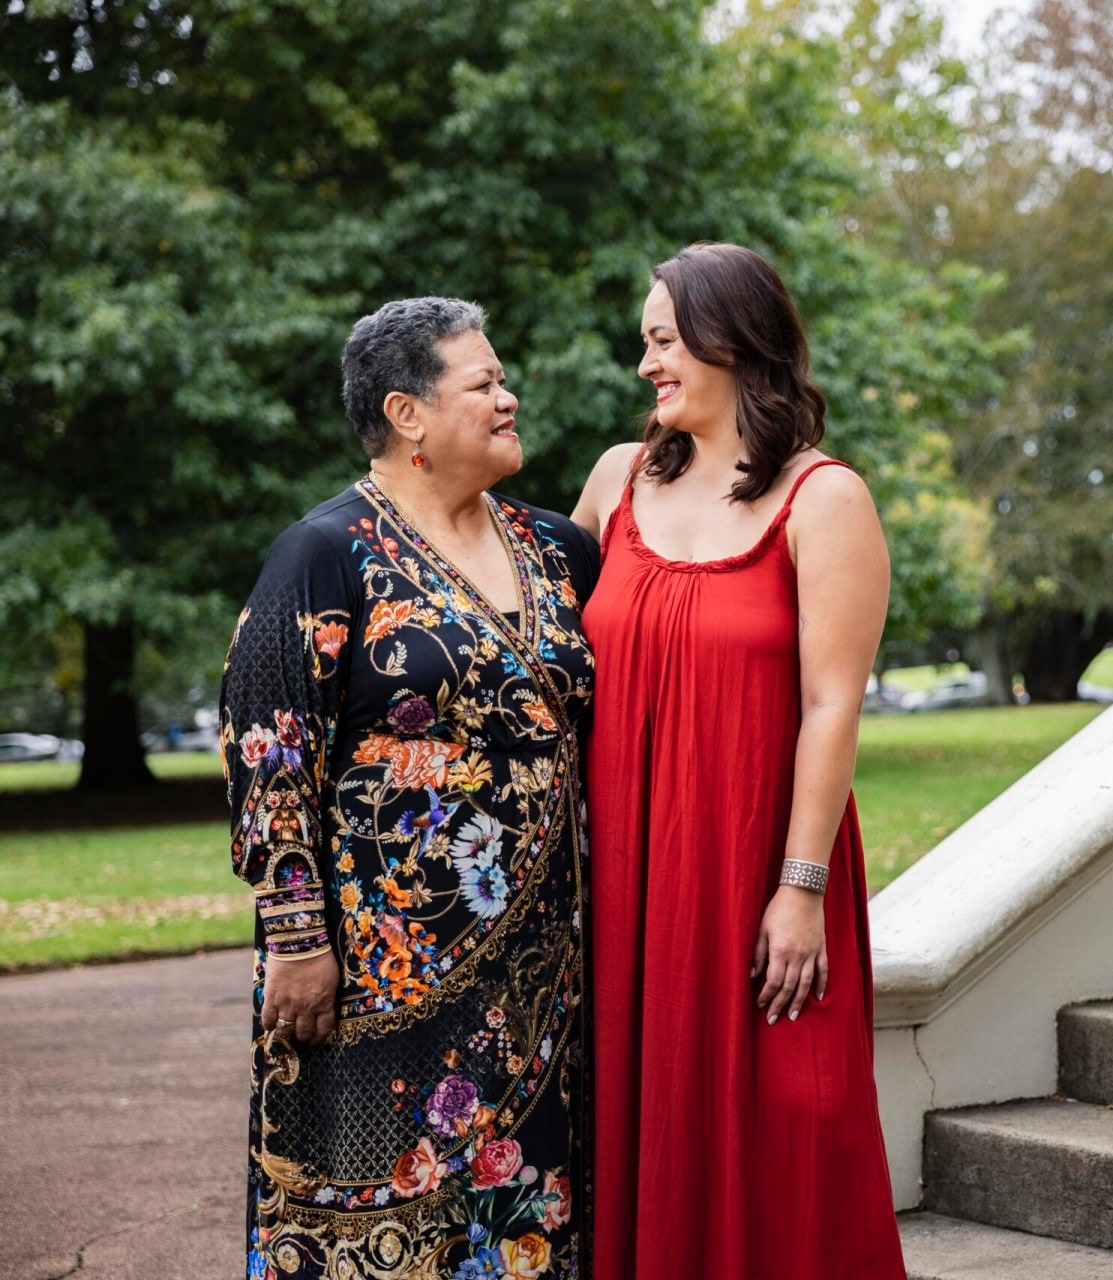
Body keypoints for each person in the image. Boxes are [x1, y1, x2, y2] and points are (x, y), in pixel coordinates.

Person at [220, 298, 599, 1280]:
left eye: (503, 377)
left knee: (523, 1227)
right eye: (484, 383)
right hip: (371, 980)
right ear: (408, 413)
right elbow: (268, 752)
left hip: (541, 973)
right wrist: (298, 940)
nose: (510, 397)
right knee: (375, 1241)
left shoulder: (561, 551)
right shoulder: (323, 551)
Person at [572, 243, 905, 1280]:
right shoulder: (615, 482)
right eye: (645, 344)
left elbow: (830, 703)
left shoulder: (824, 499)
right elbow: (523, 626)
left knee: (789, 1122)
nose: (646, 366)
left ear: (729, 340)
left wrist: (799, 887)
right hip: (627, 869)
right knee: (646, 1109)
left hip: (758, 865)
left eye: (662, 340)